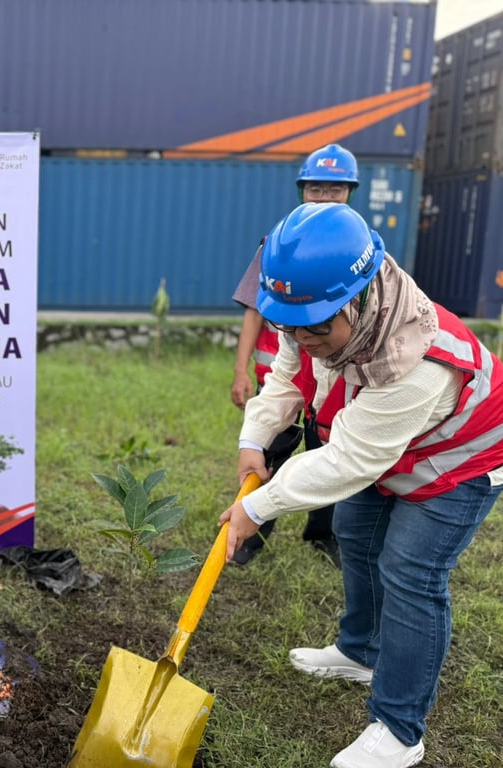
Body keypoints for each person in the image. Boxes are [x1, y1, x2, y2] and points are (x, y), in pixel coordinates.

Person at [221, 203, 503, 768]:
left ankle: (399, 730)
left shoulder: (416, 360)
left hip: (462, 455)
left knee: (411, 572)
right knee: (354, 528)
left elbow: (349, 460)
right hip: (390, 443)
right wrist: (255, 436)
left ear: (360, 297)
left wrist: (259, 506)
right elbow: (287, 376)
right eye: (289, 325)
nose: (301, 337)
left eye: (315, 328)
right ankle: (360, 652)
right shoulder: (312, 309)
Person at [229, 143, 361, 566]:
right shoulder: (277, 245)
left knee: (330, 456)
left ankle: (323, 534)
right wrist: (241, 371)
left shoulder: (355, 248)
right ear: (302, 189)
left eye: (335, 189)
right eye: (316, 188)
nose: (324, 197)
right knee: (267, 452)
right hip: (281, 377)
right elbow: (254, 310)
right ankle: (251, 534)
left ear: (350, 193)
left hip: (333, 382)